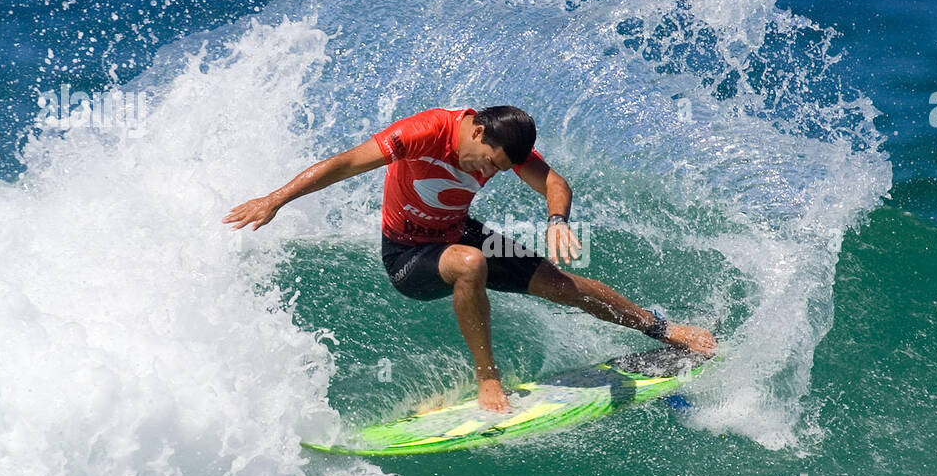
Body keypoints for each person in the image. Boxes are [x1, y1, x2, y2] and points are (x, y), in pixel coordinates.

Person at [223, 105, 716, 412]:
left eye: (503, 169)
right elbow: (342, 164)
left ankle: (663, 330)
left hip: (459, 234)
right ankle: (488, 379)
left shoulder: (503, 146)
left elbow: (554, 183)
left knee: (560, 282)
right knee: (469, 263)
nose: (492, 172)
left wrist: (557, 221)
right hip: (409, 255)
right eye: (492, 162)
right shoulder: (423, 132)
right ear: (478, 132)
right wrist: (275, 200)